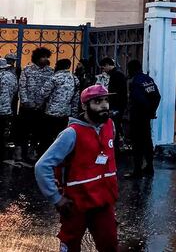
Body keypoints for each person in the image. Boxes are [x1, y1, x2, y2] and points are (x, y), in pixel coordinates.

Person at [34, 84, 119, 252]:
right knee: (71, 245)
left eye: (106, 100)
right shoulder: (71, 133)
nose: (104, 105)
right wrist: (56, 198)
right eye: (97, 101)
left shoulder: (110, 125)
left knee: (109, 245)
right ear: (84, 106)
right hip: (76, 204)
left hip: (103, 202)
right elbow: (42, 166)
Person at [17, 47, 54, 163]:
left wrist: (44, 104)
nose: (45, 59)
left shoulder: (50, 71)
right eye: (43, 57)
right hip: (27, 106)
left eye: (46, 57)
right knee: (23, 130)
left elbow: (51, 90)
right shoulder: (27, 70)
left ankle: (32, 151)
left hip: (41, 107)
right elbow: (22, 86)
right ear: (37, 58)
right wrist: (25, 101)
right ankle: (20, 152)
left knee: (38, 131)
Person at [126, 60, 161, 178]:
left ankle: (137, 171)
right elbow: (157, 96)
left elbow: (138, 100)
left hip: (138, 117)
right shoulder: (148, 79)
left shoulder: (136, 82)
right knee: (147, 141)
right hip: (146, 117)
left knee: (137, 144)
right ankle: (149, 167)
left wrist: (143, 111)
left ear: (131, 69)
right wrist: (151, 111)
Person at [41, 58, 81, 150]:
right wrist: (74, 114)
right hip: (66, 113)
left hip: (51, 112)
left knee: (47, 138)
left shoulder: (54, 78)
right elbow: (76, 98)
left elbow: (43, 93)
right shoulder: (75, 79)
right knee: (62, 138)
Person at [99, 58, 127, 152]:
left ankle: (114, 148)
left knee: (114, 128)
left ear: (107, 65)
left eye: (103, 68)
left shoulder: (117, 75)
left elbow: (118, 93)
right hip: (117, 106)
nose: (103, 70)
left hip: (116, 106)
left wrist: (114, 107)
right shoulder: (116, 74)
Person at [0, 57, 17, 164]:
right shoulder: (11, 76)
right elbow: (15, 90)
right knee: (2, 132)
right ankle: (2, 154)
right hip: (6, 109)